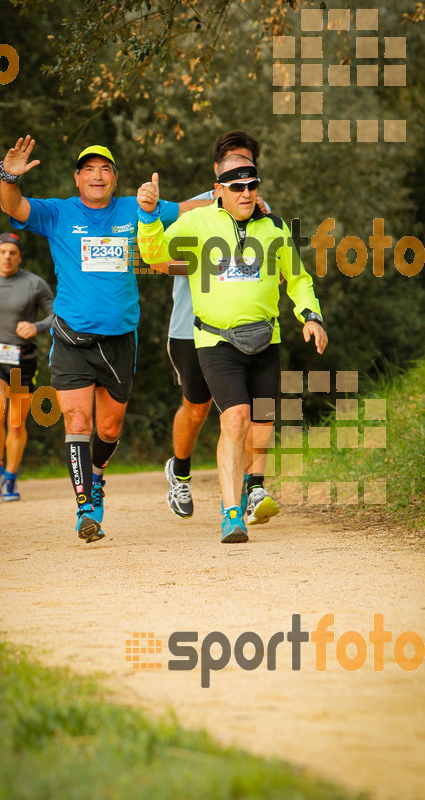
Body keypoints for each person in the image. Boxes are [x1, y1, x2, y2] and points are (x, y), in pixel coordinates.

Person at [0, 136, 209, 543]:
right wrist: (8, 176)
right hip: (72, 336)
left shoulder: (135, 207)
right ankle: (86, 508)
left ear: (115, 179)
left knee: (109, 429)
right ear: (78, 179)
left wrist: (230, 201)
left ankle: (97, 479)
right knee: (77, 421)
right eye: (89, 169)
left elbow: (185, 210)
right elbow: (12, 206)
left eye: (106, 169)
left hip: (119, 339)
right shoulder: (58, 213)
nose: (98, 175)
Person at [137, 155, 328, 543]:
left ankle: (254, 486)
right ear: (219, 190)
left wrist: (311, 315)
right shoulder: (197, 221)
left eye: (252, 185)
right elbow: (155, 255)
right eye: (237, 187)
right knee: (235, 418)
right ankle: (231, 514)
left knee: (261, 422)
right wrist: (149, 217)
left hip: (266, 337)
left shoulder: (274, 227)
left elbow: (297, 278)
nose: (246, 193)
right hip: (215, 340)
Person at [165, 130, 271, 520]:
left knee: (241, 413)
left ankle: (250, 490)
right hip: (189, 326)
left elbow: (278, 264)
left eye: (248, 166)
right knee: (196, 409)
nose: (241, 176)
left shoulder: (260, 207)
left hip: (245, 329)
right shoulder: (191, 209)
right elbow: (159, 257)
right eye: (232, 165)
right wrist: (206, 264)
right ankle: (180, 470)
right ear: (218, 170)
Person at [0, 232, 54, 502]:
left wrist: (37, 327)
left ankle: (12, 476)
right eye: (2, 252)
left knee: (16, 424)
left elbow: (55, 315)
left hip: (23, 361)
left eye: (12, 252)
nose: (7, 256)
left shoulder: (34, 283)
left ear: (19, 256)